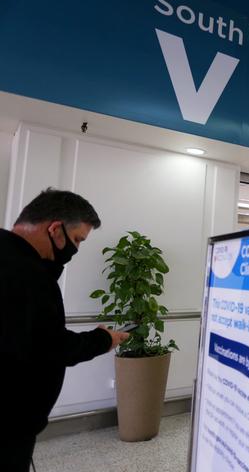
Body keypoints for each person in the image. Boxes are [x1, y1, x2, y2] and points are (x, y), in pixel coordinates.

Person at [0, 188, 130, 471]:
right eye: (76, 240)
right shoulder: (27, 274)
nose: (76, 250)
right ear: (55, 228)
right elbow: (51, 346)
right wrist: (103, 339)